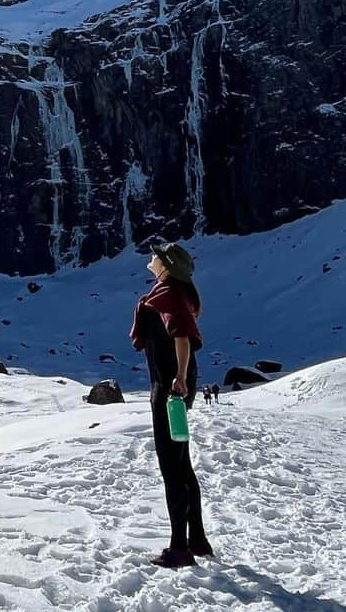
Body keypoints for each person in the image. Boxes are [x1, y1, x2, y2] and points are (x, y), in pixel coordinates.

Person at [130, 240, 214, 568]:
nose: (151, 258)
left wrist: (178, 378)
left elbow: (180, 334)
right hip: (174, 385)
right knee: (182, 464)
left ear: (165, 265)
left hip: (168, 388)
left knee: (171, 467)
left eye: (157, 256)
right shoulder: (173, 293)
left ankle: (179, 545)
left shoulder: (167, 294)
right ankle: (198, 539)